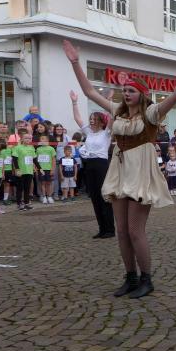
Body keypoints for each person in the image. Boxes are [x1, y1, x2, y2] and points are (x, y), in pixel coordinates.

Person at [64, 39, 176, 299]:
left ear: (142, 94)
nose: (126, 93)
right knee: (122, 231)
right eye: (124, 90)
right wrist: (76, 63)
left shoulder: (152, 113)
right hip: (120, 170)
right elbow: (89, 91)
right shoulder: (117, 112)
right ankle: (130, 277)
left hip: (141, 173)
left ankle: (147, 278)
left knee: (135, 231)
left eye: (131, 90)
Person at [71, 90, 115, 239]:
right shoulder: (89, 133)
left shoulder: (106, 133)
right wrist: (74, 102)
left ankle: (110, 229)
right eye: (90, 118)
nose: (91, 121)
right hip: (89, 165)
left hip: (101, 164)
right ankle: (102, 229)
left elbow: (112, 117)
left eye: (94, 119)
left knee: (104, 197)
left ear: (101, 121)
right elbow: (77, 118)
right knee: (94, 197)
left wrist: (109, 101)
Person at [12, 131, 38, 211]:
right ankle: (19, 204)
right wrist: (17, 169)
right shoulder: (17, 147)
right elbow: (14, 159)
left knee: (27, 188)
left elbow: (34, 159)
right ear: (22, 139)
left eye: (29, 138)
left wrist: (40, 168)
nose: (28, 140)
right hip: (21, 171)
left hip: (29, 171)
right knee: (20, 188)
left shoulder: (31, 148)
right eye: (26, 138)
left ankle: (26, 203)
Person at [35, 135, 57, 204]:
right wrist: (36, 169)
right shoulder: (38, 149)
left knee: (49, 183)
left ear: (47, 140)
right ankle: (44, 196)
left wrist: (52, 169)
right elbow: (36, 160)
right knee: (42, 183)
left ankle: (49, 196)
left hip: (49, 169)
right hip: (41, 170)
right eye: (41, 139)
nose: (42, 140)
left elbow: (53, 160)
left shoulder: (51, 149)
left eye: (44, 139)